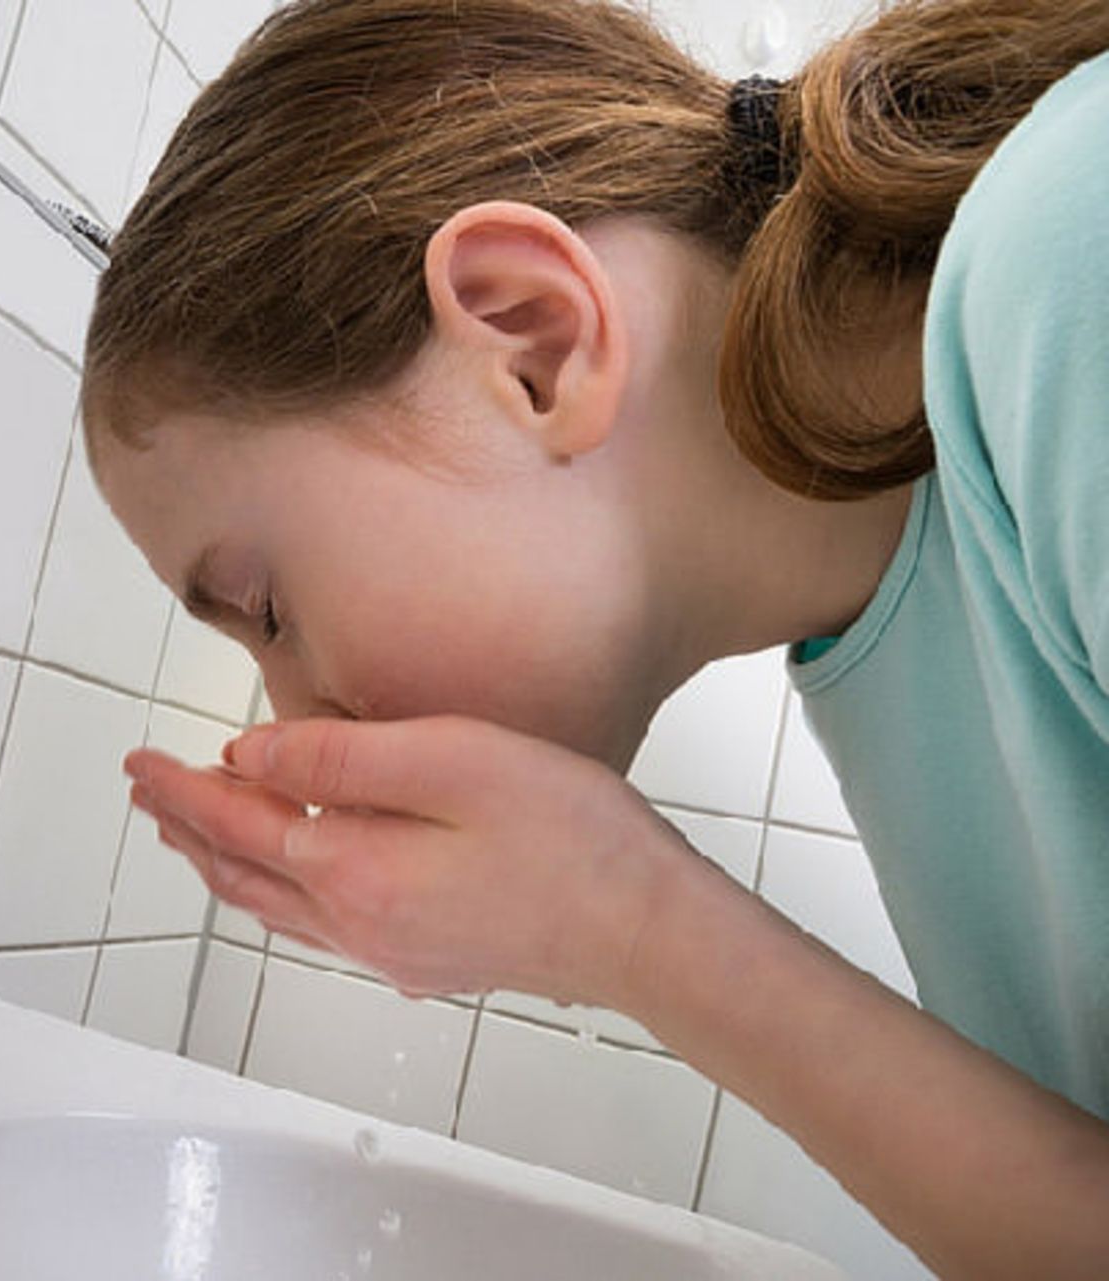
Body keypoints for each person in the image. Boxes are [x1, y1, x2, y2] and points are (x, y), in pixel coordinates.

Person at [82, 0, 1109, 1274]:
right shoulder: (868, 630)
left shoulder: (1079, 252)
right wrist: (617, 923)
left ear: (531, 341)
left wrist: (632, 928)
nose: (297, 725)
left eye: (271, 609)